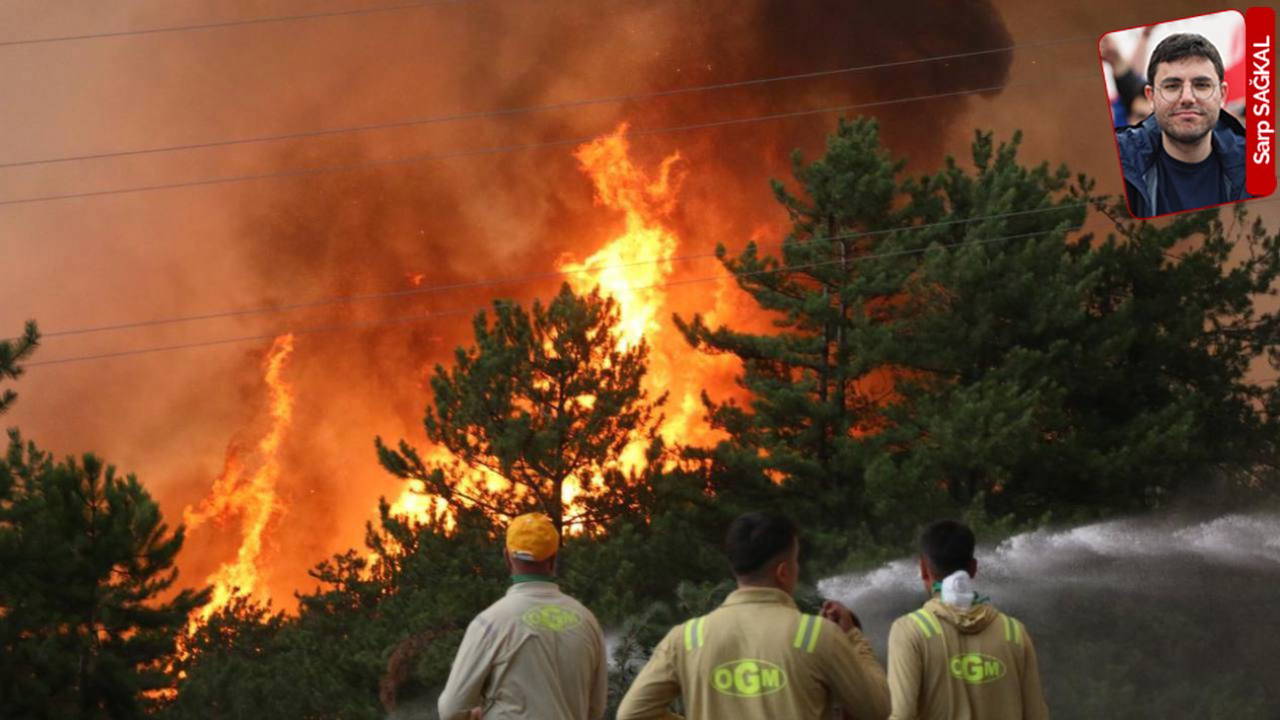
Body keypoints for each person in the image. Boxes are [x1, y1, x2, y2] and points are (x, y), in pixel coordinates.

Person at [617, 511, 890, 720]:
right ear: (783, 571)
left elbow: (631, 715)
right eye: (796, 561)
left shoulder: (686, 638)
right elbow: (878, 708)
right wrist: (854, 638)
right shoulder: (817, 636)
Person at [437, 512, 607, 720]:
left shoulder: (490, 623)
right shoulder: (587, 621)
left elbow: (451, 709)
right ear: (553, 559)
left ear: (507, 557)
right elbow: (596, 708)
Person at [886, 520, 1048, 720]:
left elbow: (902, 715)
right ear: (973, 568)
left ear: (923, 568)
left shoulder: (910, 631)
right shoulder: (1014, 633)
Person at [1114, 32, 1247, 218]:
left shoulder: (1259, 163)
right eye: (1172, 86)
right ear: (1151, 96)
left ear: (1222, 95)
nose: (1187, 98)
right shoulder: (1116, 159)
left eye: (1201, 85)